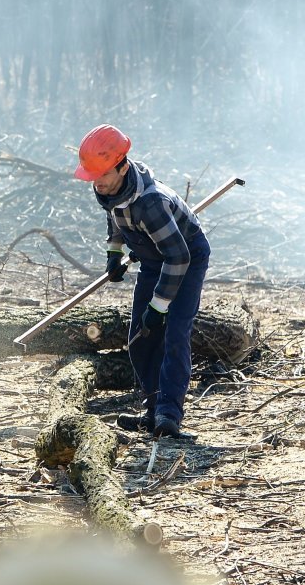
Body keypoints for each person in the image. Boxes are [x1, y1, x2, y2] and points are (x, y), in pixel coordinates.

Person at [75, 124, 210, 438]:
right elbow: (115, 215)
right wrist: (114, 251)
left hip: (185, 259)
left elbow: (178, 258)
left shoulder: (150, 204)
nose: (97, 184)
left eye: (102, 176)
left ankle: (169, 414)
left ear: (122, 166)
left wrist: (160, 304)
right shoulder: (111, 188)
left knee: (173, 334)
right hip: (153, 260)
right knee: (140, 336)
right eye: (92, 177)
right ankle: (151, 410)